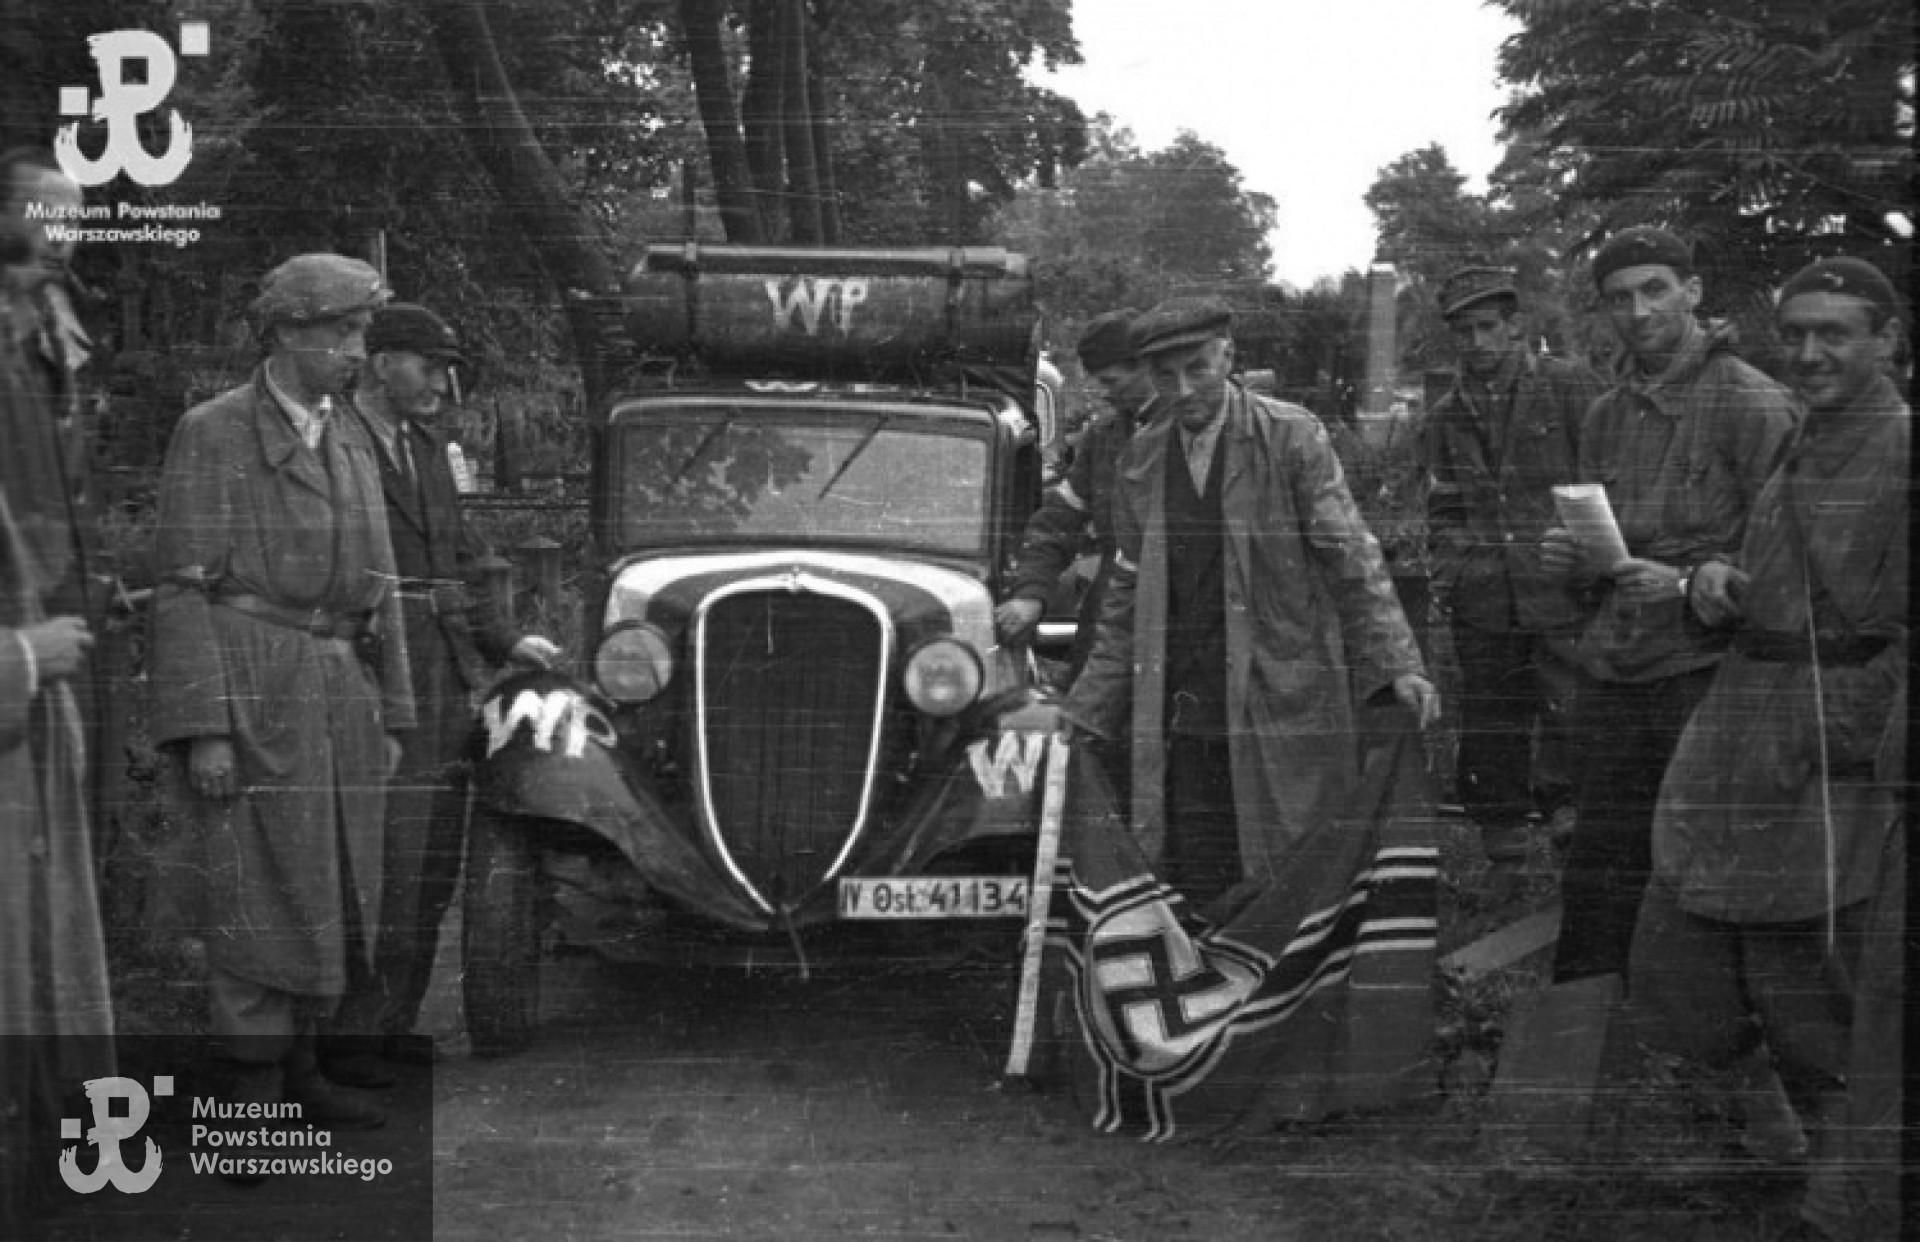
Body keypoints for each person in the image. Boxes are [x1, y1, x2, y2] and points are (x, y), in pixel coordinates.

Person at [1629, 257, 1906, 1238]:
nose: (1809, 352)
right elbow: (1776, 574)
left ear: (1886, 341)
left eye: (1835, 333)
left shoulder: (1901, 451)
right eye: (1795, 333)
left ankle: (1841, 1195)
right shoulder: (1805, 435)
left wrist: (1830, 732)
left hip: (1830, 760)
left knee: (1811, 982)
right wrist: (1716, 577)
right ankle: (1768, 1130)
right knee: (1676, 956)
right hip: (1738, 723)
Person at [148, 254, 414, 1141]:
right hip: (255, 689)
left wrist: (394, 711)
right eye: (341, 332)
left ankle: (300, 1073)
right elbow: (183, 586)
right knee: (255, 893)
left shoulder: (350, 436)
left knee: (332, 887)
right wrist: (204, 730)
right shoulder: (215, 431)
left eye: (362, 332)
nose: (356, 350)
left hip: (340, 695)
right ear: (288, 334)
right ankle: (246, 1102)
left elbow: (382, 586)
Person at [1062, 296, 1438, 907]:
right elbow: (1127, 594)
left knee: (1286, 843)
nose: (1182, 389)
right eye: (1164, 374)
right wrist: (1087, 707)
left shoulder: (1291, 436)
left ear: (1228, 357)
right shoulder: (1143, 456)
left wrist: (1398, 663)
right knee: (1191, 840)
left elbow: (1351, 557)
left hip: (1277, 681)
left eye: (1197, 369)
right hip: (1182, 687)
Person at [1539, 226, 1797, 983]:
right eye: (1620, 298)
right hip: (1618, 667)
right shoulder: (1605, 415)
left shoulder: (1752, 403)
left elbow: (1792, 565)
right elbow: (1599, 561)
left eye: (1655, 290)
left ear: (1693, 291)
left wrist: (1687, 585)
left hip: (1708, 671)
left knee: (1704, 850)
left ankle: (1707, 1026)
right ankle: (1586, 1012)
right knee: (1603, 847)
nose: (1639, 310)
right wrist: (1571, 561)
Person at [326, 303, 558, 1083]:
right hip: (359, 671)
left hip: (437, 676)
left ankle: (390, 1028)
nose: (441, 383)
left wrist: (507, 638)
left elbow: (464, 555)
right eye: (428, 365)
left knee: (426, 866)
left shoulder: (424, 446)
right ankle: (349, 1038)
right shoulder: (332, 442)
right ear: (382, 361)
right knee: (370, 862)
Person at [0, 150, 113, 1238]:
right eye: (39, 215)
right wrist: (22, 658)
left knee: (50, 974)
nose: (62, 234)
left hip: (48, 709)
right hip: (18, 687)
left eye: (72, 218)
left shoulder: (49, 345)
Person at [1424, 266, 1601, 867]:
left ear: (1516, 326)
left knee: (1570, 706)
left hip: (1561, 586)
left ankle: (1570, 822)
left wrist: (1587, 555)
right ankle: (1501, 845)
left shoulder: (1568, 387)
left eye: (1488, 327)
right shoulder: (1447, 412)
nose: (1476, 343)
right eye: (1464, 332)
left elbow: (1602, 474)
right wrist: (1457, 562)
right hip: (1486, 596)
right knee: (1491, 715)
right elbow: (1443, 501)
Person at [995, 307, 1158, 683]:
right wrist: (1031, 594)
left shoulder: (1188, 433)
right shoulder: (1104, 437)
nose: (1102, 395)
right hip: (1108, 622)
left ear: (1147, 367)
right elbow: (1057, 522)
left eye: (1111, 381)